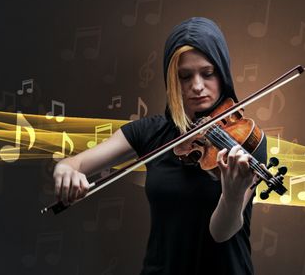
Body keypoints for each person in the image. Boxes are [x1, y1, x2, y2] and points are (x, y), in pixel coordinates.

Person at [53, 17, 267, 275]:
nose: (197, 86)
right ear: (172, 81)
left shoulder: (245, 138)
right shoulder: (150, 132)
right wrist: (64, 170)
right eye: (185, 76)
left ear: (222, 72)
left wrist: (232, 196)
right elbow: (73, 163)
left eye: (208, 73)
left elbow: (221, 232)